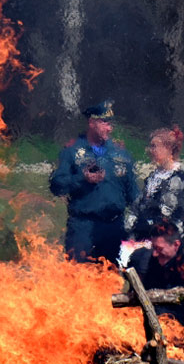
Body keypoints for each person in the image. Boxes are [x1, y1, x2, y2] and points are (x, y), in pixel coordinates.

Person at [49, 99, 139, 264]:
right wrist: (82, 179)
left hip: (114, 228)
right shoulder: (72, 151)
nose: (109, 128)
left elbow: (133, 192)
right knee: (80, 278)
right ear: (92, 122)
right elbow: (56, 186)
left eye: (111, 124)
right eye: (105, 123)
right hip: (83, 227)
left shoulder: (121, 153)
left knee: (111, 279)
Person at [125, 126, 184, 240]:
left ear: (168, 148)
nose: (150, 150)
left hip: (163, 237)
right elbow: (139, 205)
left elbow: (167, 213)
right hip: (143, 235)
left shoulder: (177, 178)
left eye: (154, 146)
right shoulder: (154, 176)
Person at [126, 221, 184, 325]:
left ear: (176, 245)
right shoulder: (142, 259)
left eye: (159, 249)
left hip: (176, 322)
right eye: (154, 247)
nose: (155, 254)